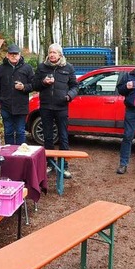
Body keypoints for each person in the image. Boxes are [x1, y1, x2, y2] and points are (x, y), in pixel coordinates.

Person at [33, 43, 78, 178]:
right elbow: (34, 85)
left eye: (55, 52)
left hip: (61, 107)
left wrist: (69, 96)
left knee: (64, 137)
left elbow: (75, 86)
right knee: (47, 137)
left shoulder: (68, 67)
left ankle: (64, 167)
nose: (52, 55)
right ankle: (50, 164)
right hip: (46, 107)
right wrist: (43, 83)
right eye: (50, 52)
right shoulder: (42, 67)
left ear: (60, 55)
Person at [0, 44, 34, 145]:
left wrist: (24, 87)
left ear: (20, 55)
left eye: (16, 54)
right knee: (8, 132)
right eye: (11, 54)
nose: (14, 56)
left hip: (21, 107)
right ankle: (9, 156)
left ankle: (20, 156)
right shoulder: (0, 69)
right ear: (7, 55)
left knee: (20, 132)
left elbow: (34, 85)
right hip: (5, 107)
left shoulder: (27, 68)